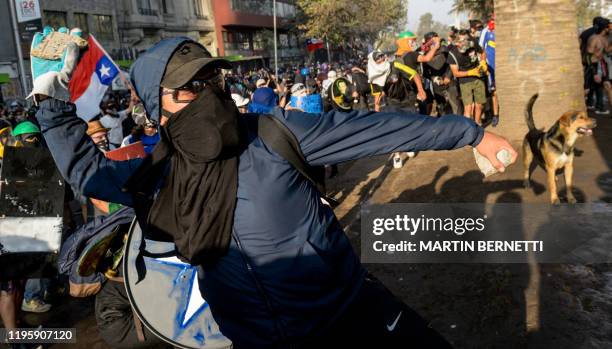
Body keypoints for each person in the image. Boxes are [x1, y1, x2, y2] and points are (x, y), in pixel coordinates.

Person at [32, 36, 516, 349]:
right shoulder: (157, 176)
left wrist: (470, 134)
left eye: (210, 79)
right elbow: (87, 173)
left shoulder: (272, 130)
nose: (205, 94)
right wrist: (51, 102)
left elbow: (375, 129)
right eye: (186, 88)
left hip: (352, 319)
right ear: (157, 109)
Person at [448, 29, 488, 125]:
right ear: (457, 43)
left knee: (479, 105)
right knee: (468, 107)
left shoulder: (473, 43)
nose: (466, 43)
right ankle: (468, 127)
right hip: (465, 81)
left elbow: (482, 52)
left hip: (478, 77)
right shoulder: (452, 54)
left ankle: (477, 124)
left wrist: (483, 63)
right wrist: (471, 72)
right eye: (462, 41)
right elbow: (456, 73)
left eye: (466, 40)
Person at [586, 17, 610, 115]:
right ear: (604, 28)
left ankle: (599, 106)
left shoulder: (604, 39)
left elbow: (607, 50)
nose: (610, 28)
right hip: (592, 66)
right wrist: (594, 72)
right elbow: (588, 56)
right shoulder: (594, 39)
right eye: (608, 26)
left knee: (601, 86)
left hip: (601, 64)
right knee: (589, 88)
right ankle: (596, 107)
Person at [479, 17, 499, 126]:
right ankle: (494, 115)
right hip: (490, 66)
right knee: (493, 91)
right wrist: (483, 63)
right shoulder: (486, 31)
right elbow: (480, 49)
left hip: (502, 66)